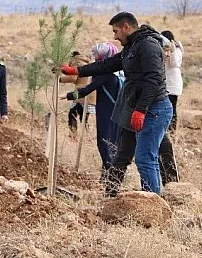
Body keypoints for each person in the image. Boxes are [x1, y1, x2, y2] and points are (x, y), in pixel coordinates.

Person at [59, 12, 172, 196]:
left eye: (116, 31)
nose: (115, 37)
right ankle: (110, 194)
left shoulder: (148, 45)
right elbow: (106, 65)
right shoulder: (132, 46)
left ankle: (153, 203)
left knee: (145, 158)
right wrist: (77, 70)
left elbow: (153, 80)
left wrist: (141, 110)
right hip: (136, 108)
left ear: (126, 27)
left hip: (154, 109)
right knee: (122, 155)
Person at [63, 42, 121, 176]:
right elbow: (87, 70)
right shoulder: (114, 71)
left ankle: (110, 176)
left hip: (107, 112)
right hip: (114, 110)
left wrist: (68, 95)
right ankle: (109, 174)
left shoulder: (105, 73)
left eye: (97, 55)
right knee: (112, 143)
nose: (94, 57)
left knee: (105, 143)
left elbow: (87, 90)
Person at [60, 51, 96, 133]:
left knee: (72, 114)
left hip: (81, 94)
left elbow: (73, 78)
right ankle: (87, 136)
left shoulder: (75, 63)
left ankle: (74, 135)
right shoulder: (85, 62)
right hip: (90, 94)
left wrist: (60, 79)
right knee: (83, 118)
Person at [160, 30, 183, 131]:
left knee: (172, 107)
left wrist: (172, 51)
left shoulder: (177, 50)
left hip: (173, 85)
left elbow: (174, 64)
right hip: (165, 84)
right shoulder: (162, 50)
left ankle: (172, 131)